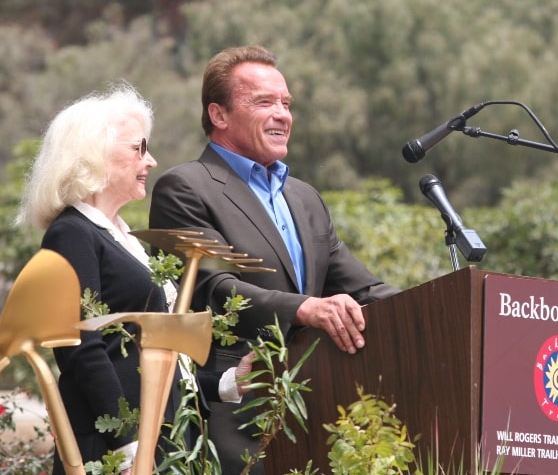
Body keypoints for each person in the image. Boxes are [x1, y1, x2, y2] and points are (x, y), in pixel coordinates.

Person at [149, 45, 400, 474]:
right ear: (219, 115)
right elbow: (213, 289)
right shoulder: (185, 187)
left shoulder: (304, 198)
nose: (282, 114)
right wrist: (304, 308)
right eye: (264, 102)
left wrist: (459, 305)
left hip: (314, 414)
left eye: (286, 103)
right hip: (232, 415)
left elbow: (366, 290)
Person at [16, 83, 253, 475]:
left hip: (164, 443)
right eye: (138, 148)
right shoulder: (72, 233)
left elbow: (155, 360)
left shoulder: (124, 239)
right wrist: (127, 445)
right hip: (118, 451)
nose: (151, 161)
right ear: (93, 154)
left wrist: (227, 382)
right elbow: (81, 347)